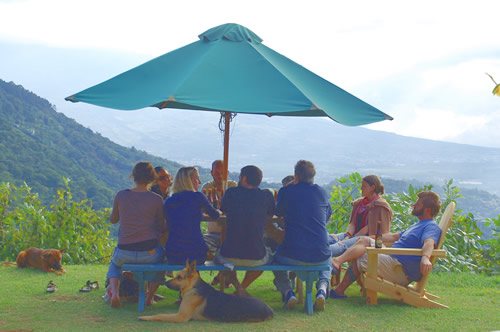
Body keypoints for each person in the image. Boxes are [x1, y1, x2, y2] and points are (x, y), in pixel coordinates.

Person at [329, 191, 442, 298]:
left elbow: (429, 242)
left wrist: (426, 258)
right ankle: (337, 263)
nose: (414, 205)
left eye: (418, 204)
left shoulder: (431, 226)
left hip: (398, 269)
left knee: (361, 253)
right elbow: (393, 237)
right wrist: (373, 238)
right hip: (391, 258)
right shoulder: (418, 225)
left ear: (427, 210)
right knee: (364, 241)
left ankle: (339, 287)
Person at [273, 160, 332, 311]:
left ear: (296, 176)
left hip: (292, 254)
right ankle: (322, 289)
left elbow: (277, 212)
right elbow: (327, 216)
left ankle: (288, 293)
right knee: (328, 257)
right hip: (320, 253)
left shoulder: (287, 191)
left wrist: (286, 188)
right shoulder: (322, 192)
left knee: (275, 259)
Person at [107, 162, 166, 308]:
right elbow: (161, 225)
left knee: (114, 264)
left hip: (124, 251)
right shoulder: (157, 199)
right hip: (149, 253)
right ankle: (149, 297)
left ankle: (115, 293)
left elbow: (113, 220)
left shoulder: (121, 195)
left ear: (133, 176)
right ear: (152, 178)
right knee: (162, 263)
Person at [214, 165, 275, 295]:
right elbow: (272, 213)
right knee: (269, 257)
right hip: (256, 256)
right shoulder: (266, 196)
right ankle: (242, 287)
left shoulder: (231, 193)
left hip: (228, 256)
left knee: (219, 256)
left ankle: (237, 286)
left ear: (244, 178)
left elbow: (223, 210)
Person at [164, 166, 220, 265]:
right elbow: (215, 215)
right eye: (197, 178)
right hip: (196, 253)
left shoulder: (169, 201)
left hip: (174, 254)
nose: (199, 181)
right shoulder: (198, 197)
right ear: (189, 180)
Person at [329, 175, 393, 258]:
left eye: (364, 186)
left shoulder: (381, 206)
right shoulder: (359, 203)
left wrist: (351, 239)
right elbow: (352, 223)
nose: (361, 188)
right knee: (330, 238)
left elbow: (380, 232)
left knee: (338, 247)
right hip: (353, 235)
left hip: (367, 239)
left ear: (372, 187)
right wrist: (348, 235)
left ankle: (320, 256)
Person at [201, 160, 237, 257]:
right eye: (217, 173)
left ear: (227, 173)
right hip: (212, 234)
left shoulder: (232, 186)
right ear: (211, 173)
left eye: (223, 173)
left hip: (232, 234)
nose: (220, 176)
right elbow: (203, 208)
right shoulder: (207, 187)